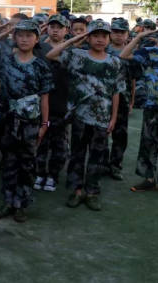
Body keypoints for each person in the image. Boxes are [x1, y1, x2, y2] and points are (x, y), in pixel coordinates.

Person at [46, 19, 124, 211]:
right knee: (77, 156)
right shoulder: (76, 56)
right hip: (80, 117)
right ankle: (76, 190)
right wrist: (76, 38)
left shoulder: (114, 62)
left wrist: (113, 118)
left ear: (108, 38)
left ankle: (92, 192)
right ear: (88, 37)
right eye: (95, 35)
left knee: (97, 158)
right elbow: (51, 54)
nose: (100, 40)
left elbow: (116, 92)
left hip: (102, 118)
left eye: (103, 36)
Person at [0, 20, 53, 223]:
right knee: (9, 162)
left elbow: (44, 97)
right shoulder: (5, 62)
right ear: (14, 38)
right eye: (20, 35)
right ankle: (8, 201)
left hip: (31, 123)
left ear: (37, 38)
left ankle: (21, 204)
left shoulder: (41, 66)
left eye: (29, 35)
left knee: (27, 164)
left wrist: (44, 124)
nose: (24, 39)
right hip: (8, 121)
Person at [120, 26, 158, 191]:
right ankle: (149, 179)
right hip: (153, 107)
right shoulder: (150, 52)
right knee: (148, 144)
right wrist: (138, 37)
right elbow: (124, 55)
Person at [34, 14, 71, 192]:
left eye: (59, 27)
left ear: (66, 30)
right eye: (52, 26)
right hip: (41, 101)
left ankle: (53, 175)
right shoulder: (39, 47)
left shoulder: (71, 50)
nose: (55, 30)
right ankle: (40, 172)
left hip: (61, 103)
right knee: (41, 140)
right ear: (47, 28)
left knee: (59, 143)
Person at [104, 17, 136, 180]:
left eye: (121, 32)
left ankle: (115, 165)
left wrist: (131, 101)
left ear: (127, 34)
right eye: (114, 32)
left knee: (120, 134)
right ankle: (102, 163)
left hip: (123, 99)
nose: (117, 35)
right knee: (101, 132)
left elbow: (132, 80)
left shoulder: (131, 54)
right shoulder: (103, 50)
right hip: (103, 98)